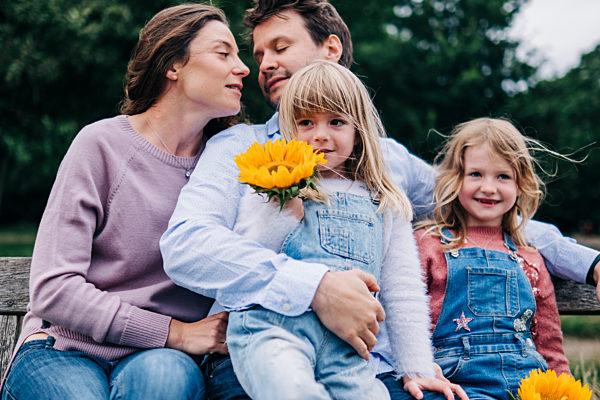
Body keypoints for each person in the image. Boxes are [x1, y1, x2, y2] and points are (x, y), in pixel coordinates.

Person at [160, 0, 600, 399]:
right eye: (259, 55)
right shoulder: (240, 148)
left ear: (331, 49)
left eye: (279, 46)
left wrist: (588, 262)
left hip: (367, 364)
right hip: (262, 349)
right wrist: (315, 288)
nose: (264, 64)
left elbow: (478, 209)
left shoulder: (384, 166)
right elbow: (186, 246)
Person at [1, 4, 249, 400]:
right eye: (224, 54)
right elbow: (53, 289)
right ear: (173, 65)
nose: (243, 68)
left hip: (162, 358)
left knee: (167, 384)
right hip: (66, 348)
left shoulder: (232, 167)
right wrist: (174, 332)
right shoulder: (101, 145)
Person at [225, 60, 464, 400]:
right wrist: (284, 207)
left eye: (336, 122)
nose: (320, 134)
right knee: (289, 388)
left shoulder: (384, 202)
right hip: (273, 331)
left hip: (348, 348)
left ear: (358, 129)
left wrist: (417, 369)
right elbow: (248, 261)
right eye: (306, 122)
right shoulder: (269, 185)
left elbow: (402, 289)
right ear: (288, 129)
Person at [414, 118, 570, 399]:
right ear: (455, 178)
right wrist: (416, 365)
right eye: (475, 174)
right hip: (453, 385)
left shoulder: (529, 257)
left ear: (520, 186)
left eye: (503, 177)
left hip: (524, 385)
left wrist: (564, 387)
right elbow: (406, 318)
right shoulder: (429, 244)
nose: (489, 187)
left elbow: (549, 344)